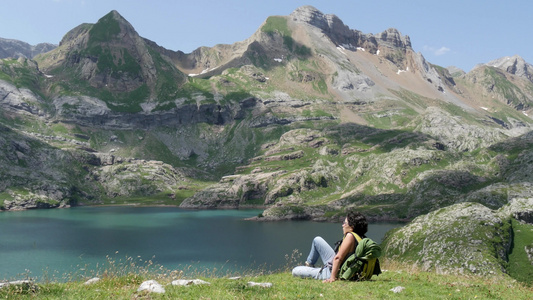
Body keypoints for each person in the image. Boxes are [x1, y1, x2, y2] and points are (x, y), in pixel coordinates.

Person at [292, 211, 368, 283]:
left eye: (345, 223)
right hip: (338, 266)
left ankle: (314, 270)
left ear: (352, 227)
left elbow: (338, 258)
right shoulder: (360, 237)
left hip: (333, 271)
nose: (343, 225)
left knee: (295, 271)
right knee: (317, 240)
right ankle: (309, 265)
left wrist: (332, 277)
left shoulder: (350, 236)